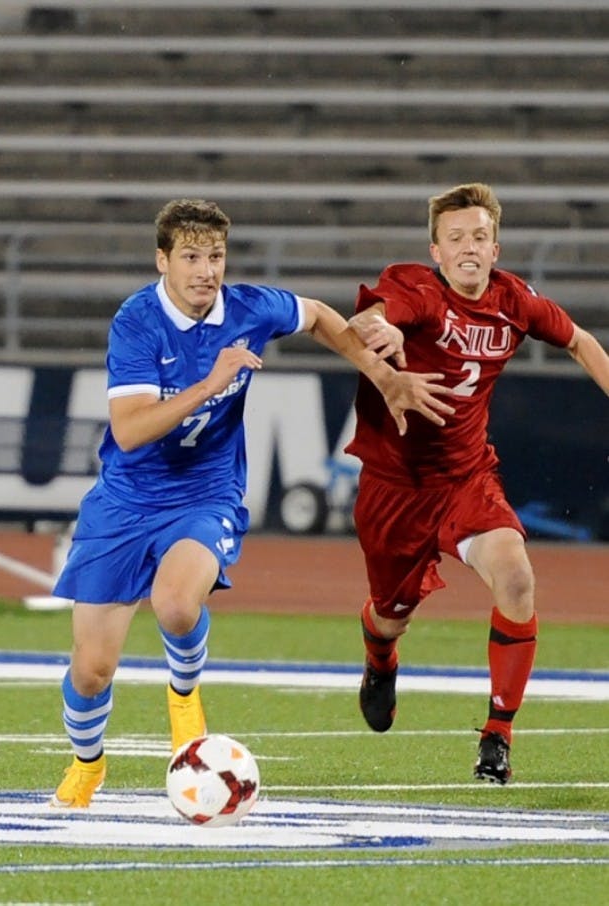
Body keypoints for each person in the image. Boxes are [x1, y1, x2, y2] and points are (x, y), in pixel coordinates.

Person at [49, 198, 455, 808]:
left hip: (205, 492)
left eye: (215, 256)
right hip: (126, 500)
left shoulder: (247, 307)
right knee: (91, 671)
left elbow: (317, 315)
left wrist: (380, 371)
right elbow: (130, 431)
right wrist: (210, 384)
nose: (205, 270)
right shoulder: (136, 322)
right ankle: (88, 764)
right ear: (162, 261)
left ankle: (184, 696)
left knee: (177, 605)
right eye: (190, 257)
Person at [346, 182, 609, 784]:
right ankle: (380, 655)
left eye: (480, 237)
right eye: (457, 237)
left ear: (496, 247)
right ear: (435, 249)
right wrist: (379, 330)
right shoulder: (413, 287)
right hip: (396, 486)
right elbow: (374, 315)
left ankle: (498, 734)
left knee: (516, 575)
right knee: (391, 614)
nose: (469, 247)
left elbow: (579, 340)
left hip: (467, 477)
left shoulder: (514, 300)